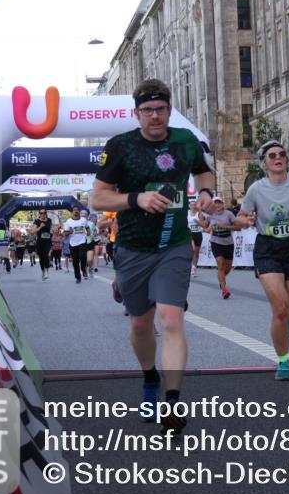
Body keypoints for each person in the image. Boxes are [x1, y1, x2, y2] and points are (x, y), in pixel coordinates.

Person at [91, 78, 215, 435]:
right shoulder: (120, 147)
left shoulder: (185, 141)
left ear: (170, 109)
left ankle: (172, 400)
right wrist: (136, 199)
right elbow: (98, 199)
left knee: (171, 320)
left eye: (161, 109)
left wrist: (206, 191)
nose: (155, 116)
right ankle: (149, 378)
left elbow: (203, 169)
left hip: (173, 245)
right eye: (148, 111)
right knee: (141, 324)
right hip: (132, 247)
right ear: (137, 113)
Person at [236, 140, 289, 380]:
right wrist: (245, 221)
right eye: (272, 155)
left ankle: (287, 321)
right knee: (280, 308)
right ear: (265, 163)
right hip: (267, 248)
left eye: (282, 154)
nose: (278, 158)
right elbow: (241, 216)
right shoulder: (256, 189)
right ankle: (283, 360)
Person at [198, 197, 238, 298]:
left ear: (223, 204)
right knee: (220, 264)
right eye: (215, 203)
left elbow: (237, 227)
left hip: (228, 242)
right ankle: (224, 289)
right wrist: (201, 221)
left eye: (219, 203)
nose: (217, 205)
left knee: (227, 268)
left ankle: (221, 280)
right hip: (216, 242)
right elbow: (206, 227)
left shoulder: (229, 214)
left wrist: (225, 226)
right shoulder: (210, 215)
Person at [63, 207, 91, 283]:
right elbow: (65, 233)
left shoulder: (83, 220)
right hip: (72, 244)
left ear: (79, 211)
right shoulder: (68, 221)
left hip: (82, 241)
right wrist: (69, 232)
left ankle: (83, 269)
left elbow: (87, 228)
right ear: (72, 212)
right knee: (75, 262)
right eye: (74, 210)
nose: (76, 211)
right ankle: (78, 277)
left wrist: (88, 232)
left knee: (83, 256)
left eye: (77, 210)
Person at [28, 209, 54, 280]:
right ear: (39, 214)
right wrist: (40, 227)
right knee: (41, 259)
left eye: (44, 213)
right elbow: (32, 232)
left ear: (46, 213)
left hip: (48, 241)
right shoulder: (37, 221)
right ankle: (43, 271)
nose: (43, 214)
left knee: (46, 255)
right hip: (40, 242)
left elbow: (51, 229)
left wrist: (53, 231)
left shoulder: (49, 220)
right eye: (41, 213)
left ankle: (46, 271)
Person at [187, 202, 204, 276]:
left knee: (196, 253)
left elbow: (203, 224)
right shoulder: (187, 213)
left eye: (194, 205)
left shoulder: (199, 214)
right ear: (189, 206)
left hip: (198, 234)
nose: (193, 206)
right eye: (191, 205)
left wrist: (198, 222)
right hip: (190, 234)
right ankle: (188, 267)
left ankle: (194, 268)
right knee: (193, 250)